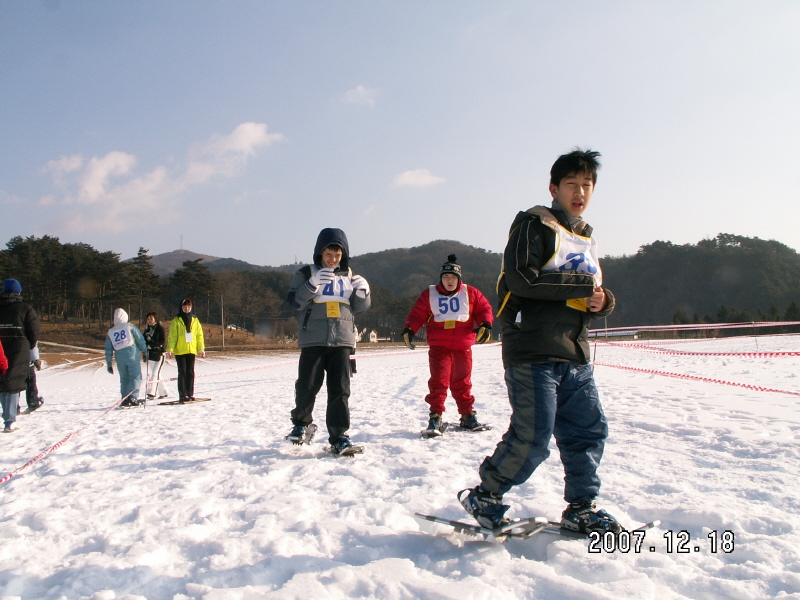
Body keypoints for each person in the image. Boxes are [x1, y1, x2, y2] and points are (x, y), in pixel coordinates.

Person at [459, 148, 620, 534]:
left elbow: (591, 291)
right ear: (554, 188)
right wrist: (583, 286)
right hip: (532, 350)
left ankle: (582, 506)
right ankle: (487, 494)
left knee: (588, 430)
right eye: (571, 185)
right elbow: (521, 279)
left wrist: (603, 301)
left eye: (587, 186)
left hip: (574, 352)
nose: (579, 192)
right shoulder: (534, 223)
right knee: (533, 435)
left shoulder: (584, 237)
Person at [286, 228, 371, 454]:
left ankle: (339, 436)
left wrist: (363, 294)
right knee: (307, 386)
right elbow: (294, 302)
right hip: (313, 340)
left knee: (340, 390)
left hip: (342, 340)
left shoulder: (349, 275)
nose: (333, 260)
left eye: (337, 255)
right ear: (319, 253)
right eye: (328, 255)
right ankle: (301, 425)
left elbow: (358, 308)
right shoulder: (306, 273)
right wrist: (311, 285)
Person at [402, 254, 494, 434]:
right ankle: (435, 417)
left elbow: (484, 308)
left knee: (463, 382)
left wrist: (486, 324)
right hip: (439, 347)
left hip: (463, 346)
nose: (449, 281)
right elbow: (417, 314)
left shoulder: (470, 293)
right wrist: (409, 329)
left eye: (453, 277)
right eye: (446, 277)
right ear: (441, 279)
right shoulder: (430, 294)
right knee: (439, 382)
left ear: (459, 279)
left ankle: (468, 416)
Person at [0, 279, 40, 432]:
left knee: (3, 382)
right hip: (18, 348)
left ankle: (9, 414)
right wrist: (28, 345)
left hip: (0, 347)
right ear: (18, 291)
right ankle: (10, 420)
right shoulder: (25, 308)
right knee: (13, 382)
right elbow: (34, 330)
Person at [105, 308, 147, 407]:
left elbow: (108, 349)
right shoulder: (130, 326)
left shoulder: (110, 332)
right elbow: (140, 339)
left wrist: (109, 363)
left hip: (120, 359)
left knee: (124, 378)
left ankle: (124, 398)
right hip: (132, 356)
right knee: (136, 377)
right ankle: (133, 397)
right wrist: (145, 352)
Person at [166, 298, 205, 403]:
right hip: (180, 350)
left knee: (190, 372)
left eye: (188, 307)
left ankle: (190, 393)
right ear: (181, 307)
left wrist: (201, 348)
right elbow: (172, 336)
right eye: (184, 307)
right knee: (182, 372)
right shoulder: (176, 320)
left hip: (191, 349)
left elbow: (199, 335)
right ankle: (183, 394)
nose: (186, 309)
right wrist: (170, 349)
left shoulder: (195, 320)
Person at [143, 312, 169, 400]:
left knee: (154, 373)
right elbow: (144, 341)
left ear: (155, 319)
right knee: (157, 374)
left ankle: (152, 392)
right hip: (150, 355)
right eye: (148, 319)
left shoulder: (160, 329)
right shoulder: (146, 330)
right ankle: (164, 392)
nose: (149, 321)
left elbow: (162, 341)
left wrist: (153, 345)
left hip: (159, 354)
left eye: (151, 319)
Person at [25, 345, 45, 411]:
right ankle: (32, 402)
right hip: (25, 361)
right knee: (30, 381)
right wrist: (35, 359)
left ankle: (13, 405)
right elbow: (32, 344)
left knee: (14, 382)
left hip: (10, 361)